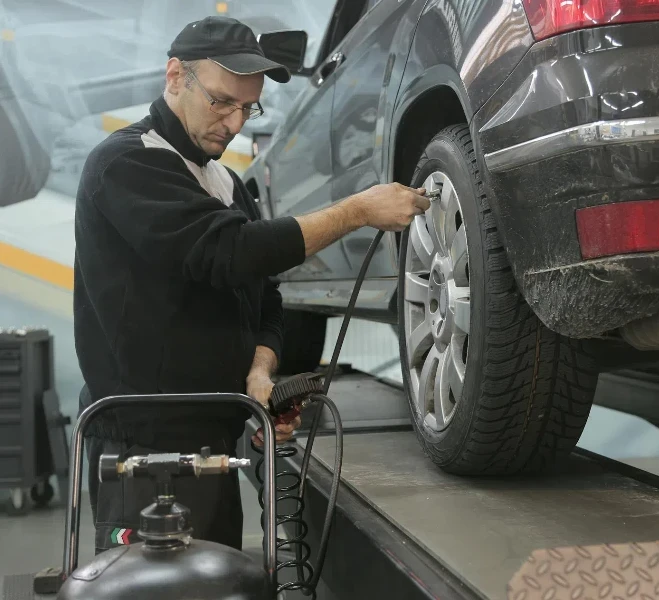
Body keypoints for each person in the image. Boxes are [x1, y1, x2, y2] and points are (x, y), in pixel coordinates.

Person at [72, 16, 429, 555]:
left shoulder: (225, 182)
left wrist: (259, 372)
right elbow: (228, 252)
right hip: (144, 449)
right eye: (221, 102)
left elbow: (265, 296)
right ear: (175, 76)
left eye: (248, 108)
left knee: (220, 584)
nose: (235, 122)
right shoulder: (126, 163)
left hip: (213, 440)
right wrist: (357, 210)